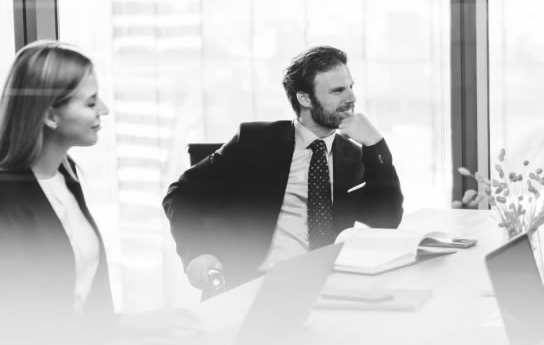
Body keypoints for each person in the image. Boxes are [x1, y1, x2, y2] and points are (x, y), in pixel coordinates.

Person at [0, 41, 198, 345]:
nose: (104, 109)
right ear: (50, 116)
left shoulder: (66, 176)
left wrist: (139, 323)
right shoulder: (7, 199)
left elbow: (78, 304)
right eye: (91, 103)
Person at [163, 45, 404, 294]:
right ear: (305, 99)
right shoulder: (255, 141)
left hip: (323, 288)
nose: (352, 98)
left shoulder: (354, 157)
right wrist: (195, 253)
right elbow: (180, 193)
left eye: (351, 87)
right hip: (252, 285)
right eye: (337, 91)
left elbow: (387, 220)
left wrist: (375, 144)